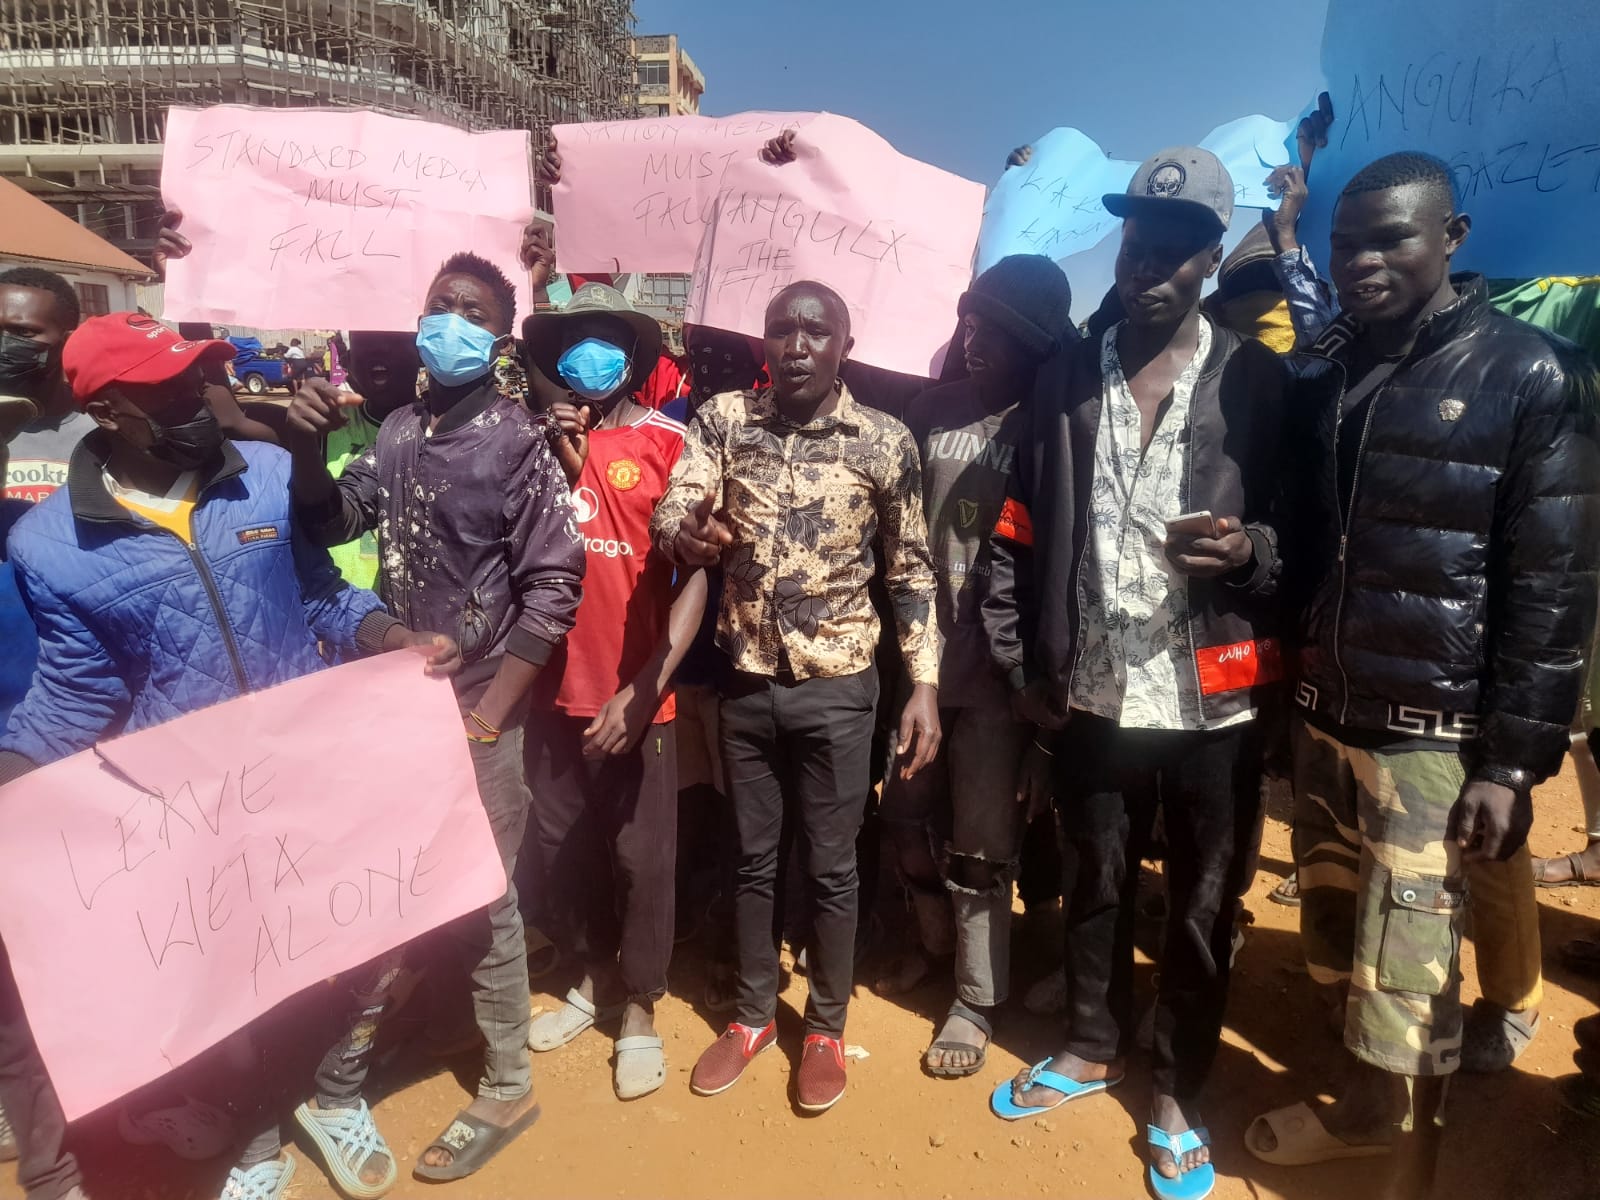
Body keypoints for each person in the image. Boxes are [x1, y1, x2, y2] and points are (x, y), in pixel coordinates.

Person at [0, 312, 459, 1200]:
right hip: (191, 805)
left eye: (196, 379)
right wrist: (12, 783)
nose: (197, 400)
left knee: (359, 941)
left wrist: (392, 636)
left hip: (306, 768)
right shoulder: (50, 546)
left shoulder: (266, 476)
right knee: (230, 983)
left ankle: (331, 1094)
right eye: (169, 390)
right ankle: (253, 1138)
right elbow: (77, 692)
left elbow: (322, 596)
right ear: (109, 412)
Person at [1246, 152, 1600, 1200]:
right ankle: (1364, 1075)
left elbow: (1553, 587)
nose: (1361, 260)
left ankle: (1377, 1124)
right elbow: (1304, 536)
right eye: (1345, 243)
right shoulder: (1330, 371)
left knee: (1410, 940)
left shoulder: (1532, 375)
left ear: (1452, 237)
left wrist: (1513, 765)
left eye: (1391, 237)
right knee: (1334, 912)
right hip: (1329, 708)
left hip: (1432, 731)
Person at [983, 148, 1288, 1200]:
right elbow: (1017, 528)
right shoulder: (1067, 373)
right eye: (1134, 245)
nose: (1146, 266)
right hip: (1092, 688)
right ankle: (1090, 1042)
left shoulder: (1256, 380)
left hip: (1215, 697)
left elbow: (1303, 532)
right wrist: (1023, 661)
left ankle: (1177, 1090)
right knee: (1096, 877)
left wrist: (1250, 549)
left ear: (1210, 257)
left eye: (1172, 250)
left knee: (1202, 901)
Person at [285, 251, 585, 1181]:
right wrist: (304, 450)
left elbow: (554, 586)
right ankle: (439, 1023)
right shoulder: (399, 431)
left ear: (498, 339)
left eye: (472, 312)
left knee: (484, 893)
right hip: (396, 705)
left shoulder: (517, 442)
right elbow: (336, 521)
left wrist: (490, 716)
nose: (450, 320)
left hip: (479, 710)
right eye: (439, 305)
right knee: (401, 884)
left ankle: (508, 1081)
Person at [650, 280, 941, 1114]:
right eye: (782, 329)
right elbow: (676, 504)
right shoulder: (724, 421)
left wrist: (924, 683)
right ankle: (751, 1017)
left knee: (833, 863)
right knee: (750, 856)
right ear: (764, 342)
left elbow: (911, 571)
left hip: (840, 688)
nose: (798, 344)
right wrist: (687, 534)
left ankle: (824, 1028)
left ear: (846, 346)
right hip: (746, 683)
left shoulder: (883, 440)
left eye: (817, 331)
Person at [877, 254, 1074, 1078]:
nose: (973, 339)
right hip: (918, 665)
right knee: (903, 818)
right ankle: (932, 946)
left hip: (1001, 679)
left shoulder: (1052, 425)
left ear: (1036, 345)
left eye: (995, 329)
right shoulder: (930, 409)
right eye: (969, 321)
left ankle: (975, 996)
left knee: (982, 844)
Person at [515, 283, 705, 1101]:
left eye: (606, 339)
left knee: (641, 860)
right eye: (573, 342)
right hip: (548, 692)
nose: (588, 355)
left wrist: (645, 689)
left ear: (633, 357)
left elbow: (693, 577)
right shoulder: (531, 440)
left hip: (633, 699)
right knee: (567, 847)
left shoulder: (669, 442)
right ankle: (592, 977)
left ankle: (641, 1008)